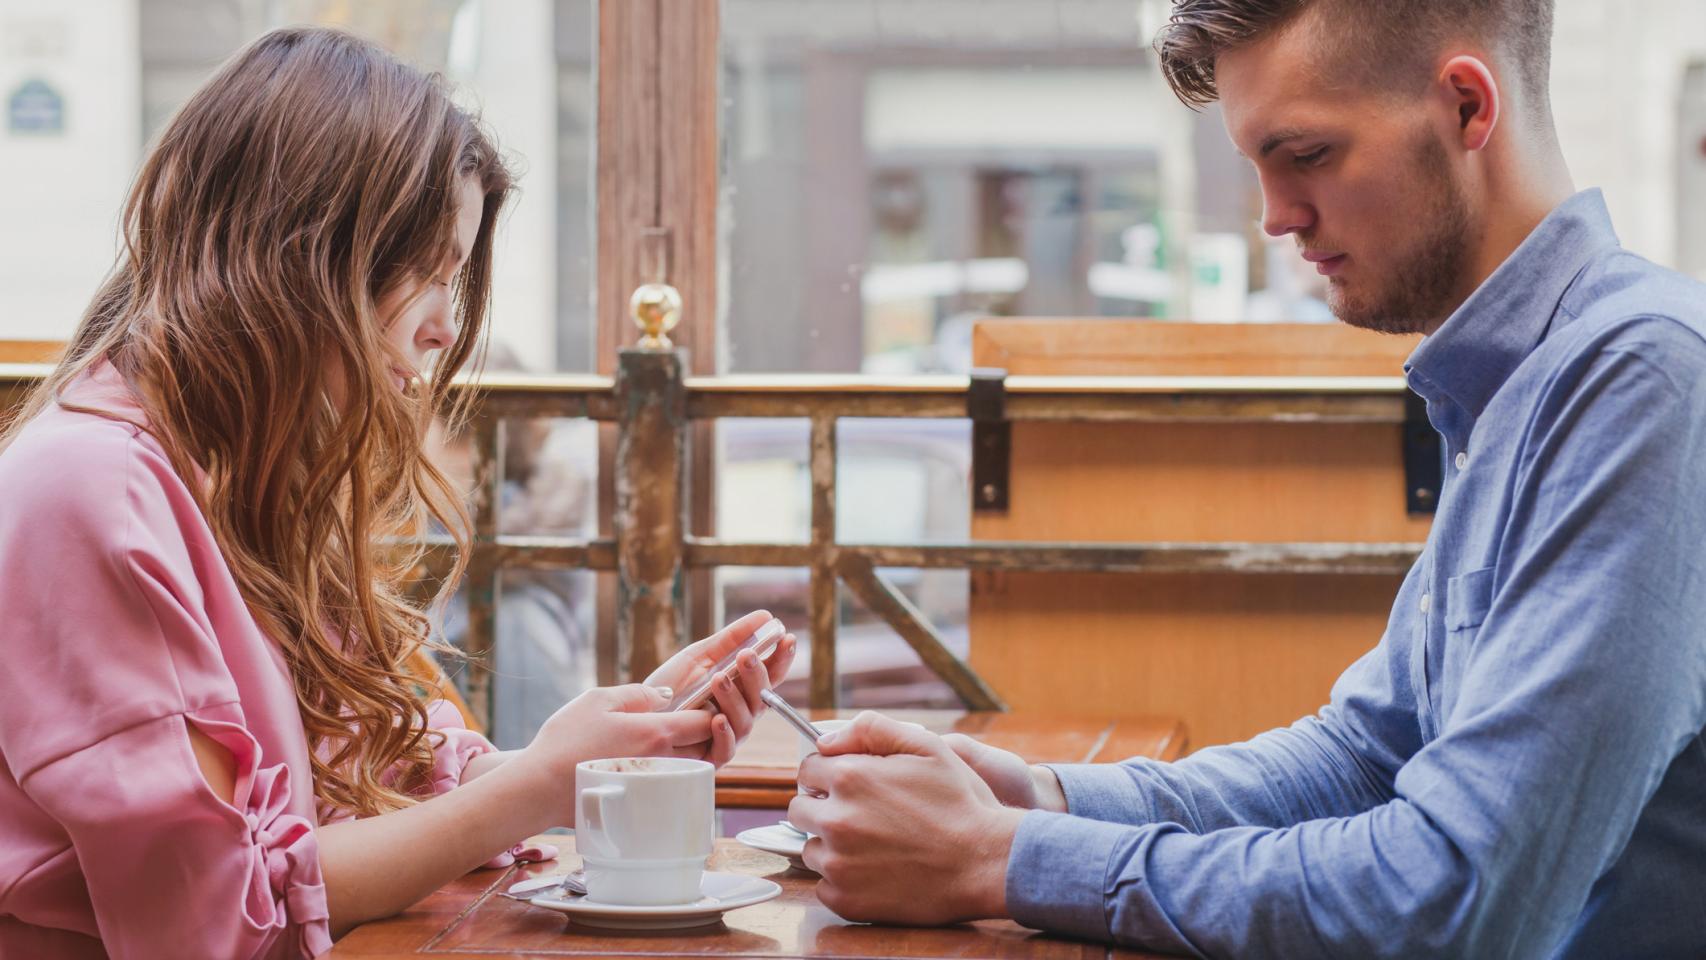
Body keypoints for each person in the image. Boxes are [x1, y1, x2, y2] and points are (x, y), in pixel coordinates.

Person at [788, 1, 1706, 957]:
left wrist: (998, 859)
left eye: (1305, 154)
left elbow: (1456, 894)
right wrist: (1035, 794)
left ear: (1468, 109)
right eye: (1258, 165)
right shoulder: (1514, 379)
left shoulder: (1647, 379)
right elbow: (1365, 757)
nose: (1276, 216)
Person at [0, 27, 794, 958]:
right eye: (433, 273)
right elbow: (226, 912)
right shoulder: (91, 489)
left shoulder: (232, 476)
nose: (444, 329)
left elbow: (373, 789)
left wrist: (611, 752)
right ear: (305, 248)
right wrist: (541, 782)